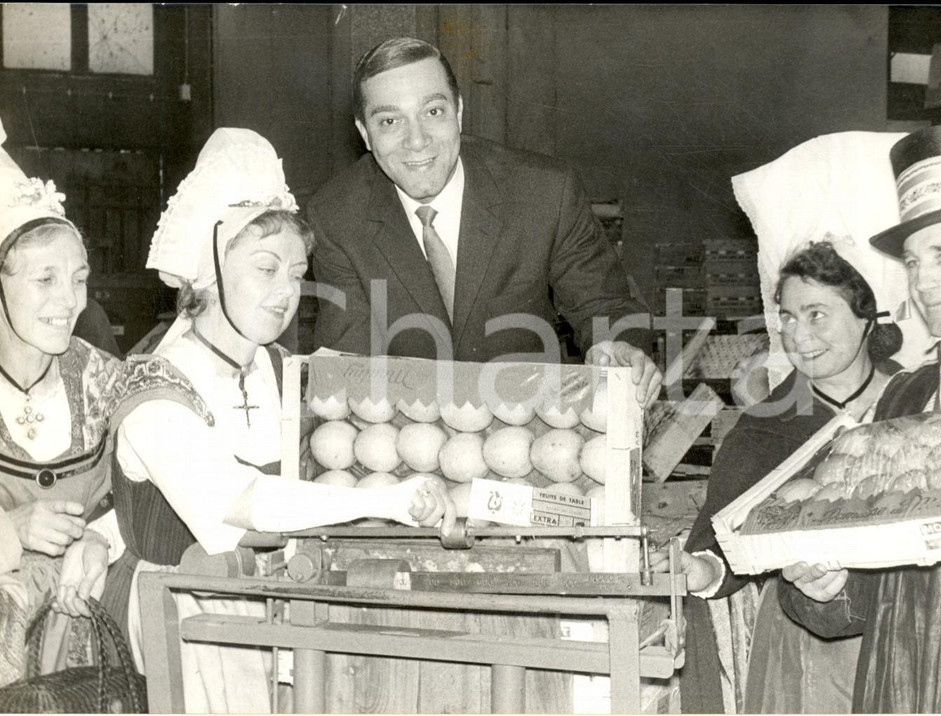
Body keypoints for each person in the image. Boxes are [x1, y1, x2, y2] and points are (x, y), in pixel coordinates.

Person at [61, 128, 455, 712]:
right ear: (208, 272)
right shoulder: (154, 387)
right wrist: (389, 501)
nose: (286, 292)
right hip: (184, 614)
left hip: (267, 599)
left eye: (296, 274)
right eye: (266, 269)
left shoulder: (280, 368)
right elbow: (245, 504)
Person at [308, 37, 661, 407]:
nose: (416, 141)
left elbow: (603, 304)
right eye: (390, 121)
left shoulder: (544, 191)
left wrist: (616, 345)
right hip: (409, 431)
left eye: (433, 112)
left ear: (458, 111)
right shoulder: (336, 217)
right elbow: (350, 362)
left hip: (530, 426)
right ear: (365, 134)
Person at [778, 123, 941, 713]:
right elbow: (868, 585)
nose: (923, 282)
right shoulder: (906, 397)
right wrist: (828, 586)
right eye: (914, 262)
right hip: (905, 676)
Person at [667, 241, 902, 713]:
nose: (799, 336)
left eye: (816, 315)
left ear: (865, 317)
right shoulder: (765, 427)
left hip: (909, 625)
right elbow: (726, 538)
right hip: (809, 650)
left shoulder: (917, 400)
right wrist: (702, 569)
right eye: (788, 319)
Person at [0, 119, 121, 684]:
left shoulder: (102, 378)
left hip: (87, 634)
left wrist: (101, 539)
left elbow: (158, 503)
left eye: (78, 279)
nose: (68, 302)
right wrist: (13, 529)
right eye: (44, 279)